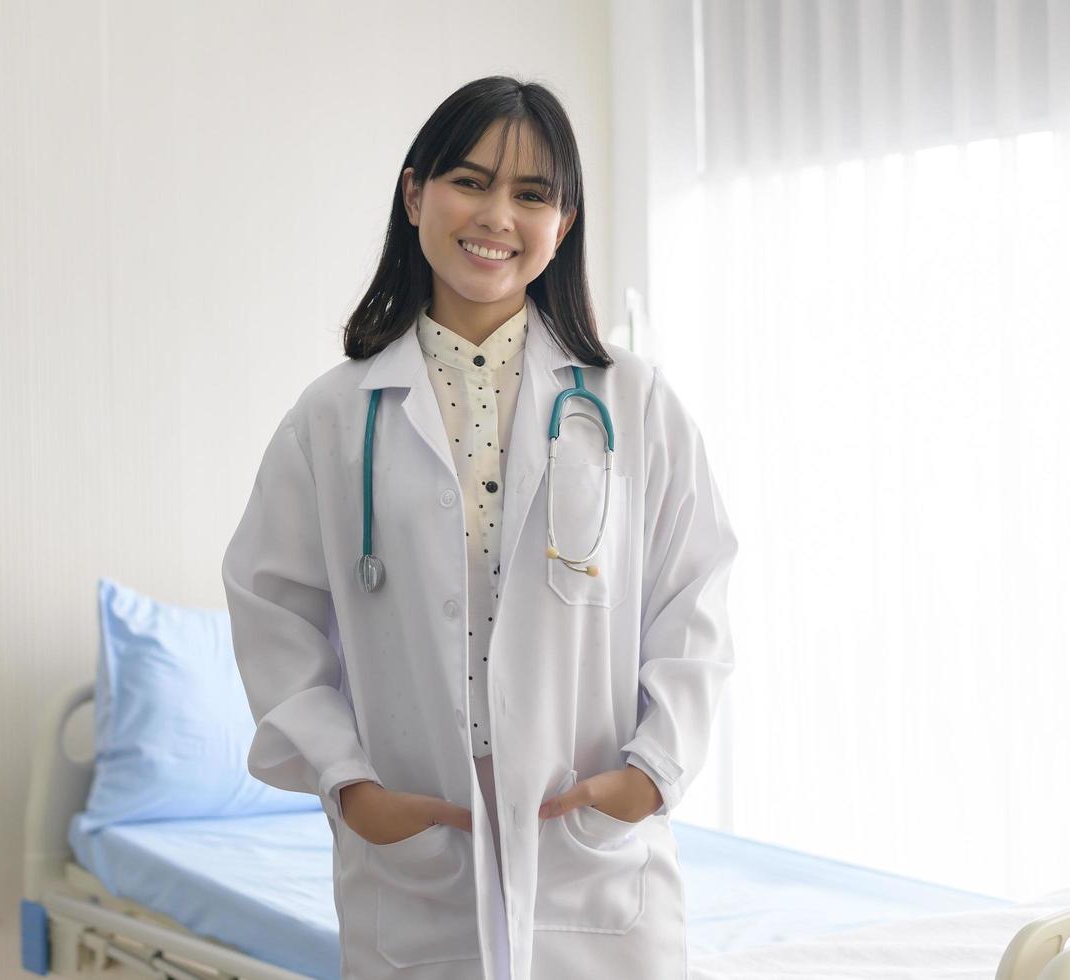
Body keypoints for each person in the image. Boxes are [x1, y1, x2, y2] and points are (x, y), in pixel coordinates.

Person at [221, 75, 737, 980]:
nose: (496, 215)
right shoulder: (337, 416)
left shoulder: (632, 401)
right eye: (470, 181)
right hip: (419, 835)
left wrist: (651, 771)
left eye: (531, 194)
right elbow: (272, 609)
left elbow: (692, 591)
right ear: (416, 195)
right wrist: (350, 784)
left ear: (562, 223)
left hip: (586, 834)